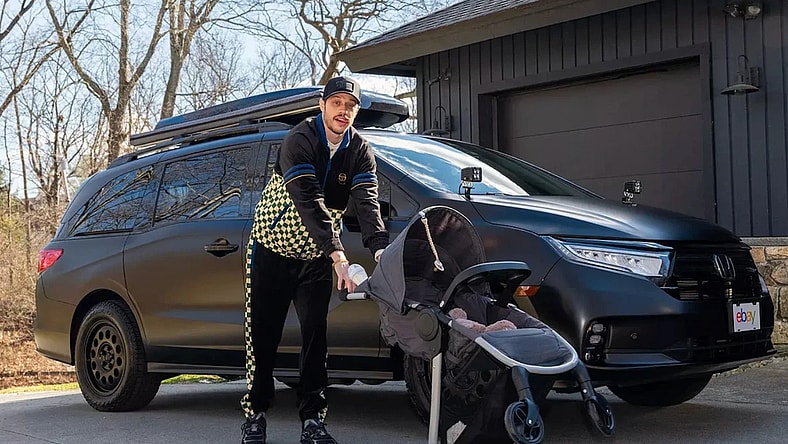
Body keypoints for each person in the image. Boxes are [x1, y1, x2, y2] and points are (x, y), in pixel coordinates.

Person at [240, 76, 389, 444]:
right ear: (322, 106)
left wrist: (381, 250)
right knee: (263, 336)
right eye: (337, 103)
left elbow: (367, 204)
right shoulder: (300, 140)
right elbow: (309, 201)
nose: (344, 111)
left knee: (315, 339)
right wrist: (338, 254)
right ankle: (255, 415)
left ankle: (313, 421)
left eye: (350, 106)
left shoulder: (360, 151)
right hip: (272, 250)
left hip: (316, 258)